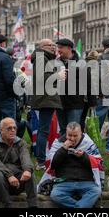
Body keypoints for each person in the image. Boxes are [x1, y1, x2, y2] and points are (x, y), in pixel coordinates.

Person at [39, 122, 103, 208]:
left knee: (96, 191)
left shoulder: (88, 143)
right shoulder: (58, 144)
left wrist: (83, 156)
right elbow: (53, 164)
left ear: (81, 133)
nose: (72, 138)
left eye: (75, 136)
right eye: (69, 135)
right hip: (64, 181)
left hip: (85, 181)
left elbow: (98, 164)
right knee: (55, 195)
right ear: (66, 133)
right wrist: (63, 149)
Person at [0, 118, 37, 208]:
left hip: (18, 182)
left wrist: (27, 170)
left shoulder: (21, 143)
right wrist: (9, 175)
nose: (13, 130)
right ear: (1, 130)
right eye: (9, 128)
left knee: (30, 173)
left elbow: (26, 158)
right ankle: (8, 205)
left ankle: (33, 206)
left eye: (14, 128)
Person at [29, 39, 63, 170]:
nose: (54, 47)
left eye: (54, 45)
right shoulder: (40, 58)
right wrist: (58, 75)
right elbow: (43, 78)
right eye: (51, 45)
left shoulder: (44, 57)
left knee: (44, 130)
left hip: (46, 97)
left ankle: (41, 159)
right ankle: (41, 161)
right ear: (43, 47)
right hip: (45, 98)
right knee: (44, 131)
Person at [56, 38, 86, 136]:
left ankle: (74, 151)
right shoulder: (56, 62)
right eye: (58, 47)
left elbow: (88, 82)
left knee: (73, 131)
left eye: (61, 48)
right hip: (60, 103)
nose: (58, 50)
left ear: (69, 48)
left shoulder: (80, 62)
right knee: (63, 130)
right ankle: (63, 150)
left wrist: (92, 102)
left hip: (75, 104)